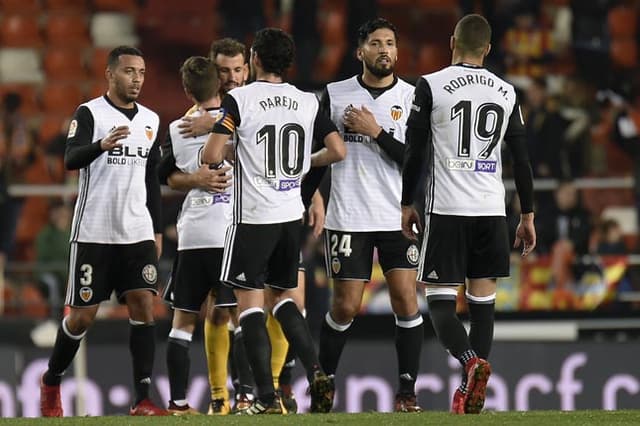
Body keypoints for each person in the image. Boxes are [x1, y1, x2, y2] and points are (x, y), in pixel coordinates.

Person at [202, 27, 346, 415]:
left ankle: (265, 398)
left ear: (255, 60)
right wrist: (303, 165)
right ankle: (316, 370)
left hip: (252, 219)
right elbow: (337, 150)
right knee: (284, 300)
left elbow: (211, 155)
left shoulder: (239, 99)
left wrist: (230, 149)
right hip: (289, 219)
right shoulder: (306, 100)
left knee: (249, 307)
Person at [400, 14, 536, 415]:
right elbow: (522, 160)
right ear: (488, 49)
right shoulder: (507, 91)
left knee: (440, 302)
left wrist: (408, 202)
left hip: (447, 210)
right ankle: (469, 394)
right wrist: (527, 214)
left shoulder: (431, 84)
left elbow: (415, 150)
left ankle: (470, 363)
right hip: (492, 210)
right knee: (483, 304)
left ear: (452, 42)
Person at [39, 46, 167, 417]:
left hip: (136, 229)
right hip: (94, 230)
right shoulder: (90, 112)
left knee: (145, 303)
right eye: (129, 71)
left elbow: (151, 181)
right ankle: (51, 380)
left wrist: (156, 231)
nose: (137, 78)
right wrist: (101, 145)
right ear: (110, 74)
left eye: (141, 72)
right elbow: (69, 159)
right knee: (82, 317)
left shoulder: (151, 120)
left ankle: (142, 398)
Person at [315, 18, 424, 413]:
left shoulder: (413, 97)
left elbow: (417, 160)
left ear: (397, 52)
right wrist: (310, 197)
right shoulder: (333, 94)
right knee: (345, 306)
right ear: (360, 51)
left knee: (406, 300)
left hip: (397, 214)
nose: (384, 50)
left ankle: (407, 393)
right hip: (348, 215)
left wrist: (375, 131)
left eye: (390, 43)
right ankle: (323, 383)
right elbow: (317, 152)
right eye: (376, 43)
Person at [158, 55, 235, 415]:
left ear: (187, 90)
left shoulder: (177, 128)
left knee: (182, 323)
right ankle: (247, 395)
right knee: (239, 317)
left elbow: (163, 174)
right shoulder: (242, 120)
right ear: (220, 82)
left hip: (193, 234)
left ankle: (177, 403)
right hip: (230, 231)